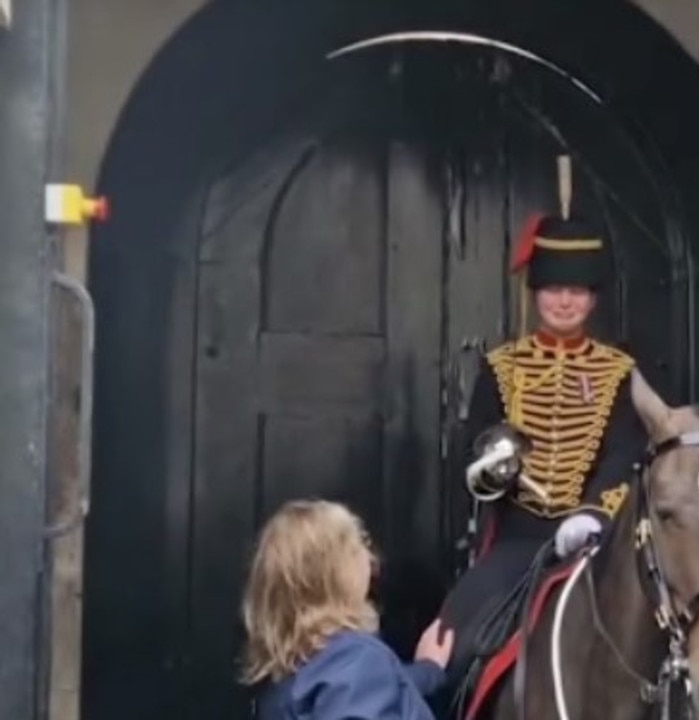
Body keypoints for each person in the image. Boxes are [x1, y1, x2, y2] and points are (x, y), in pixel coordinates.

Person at [430, 204, 647, 709]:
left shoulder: (619, 372)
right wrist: (489, 467)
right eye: (553, 289)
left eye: (576, 291)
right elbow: (474, 451)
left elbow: (624, 452)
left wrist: (593, 512)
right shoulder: (501, 368)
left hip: (591, 541)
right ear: (536, 292)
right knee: (452, 639)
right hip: (519, 542)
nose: (564, 302)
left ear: (592, 298)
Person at [241, 499, 455, 720]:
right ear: (336, 573)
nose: (370, 558)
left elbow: (358, 689)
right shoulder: (359, 658)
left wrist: (428, 670)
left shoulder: (296, 663)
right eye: (359, 544)